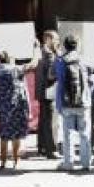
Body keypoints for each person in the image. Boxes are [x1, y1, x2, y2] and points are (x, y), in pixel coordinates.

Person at [0, 43, 40, 170]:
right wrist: (35, 48)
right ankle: (16, 161)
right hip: (16, 106)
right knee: (16, 135)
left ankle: (3, 162)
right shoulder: (16, 69)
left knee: (4, 135)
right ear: (9, 59)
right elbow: (34, 64)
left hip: (3, 107)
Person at [54, 34, 92, 172]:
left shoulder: (60, 61)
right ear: (77, 45)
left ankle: (68, 162)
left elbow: (57, 78)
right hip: (83, 101)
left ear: (65, 46)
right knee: (84, 133)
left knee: (68, 134)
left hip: (66, 102)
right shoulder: (84, 59)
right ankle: (86, 162)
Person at [35, 30, 60, 159]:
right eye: (55, 39)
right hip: (49, 91)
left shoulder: (39, 52)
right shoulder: (50, 55)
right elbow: (51, 76)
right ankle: (51, 149)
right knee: (50, 121)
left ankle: (42, 147)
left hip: (41, 91)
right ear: (48, 40)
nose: (58, 42)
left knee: (43, 120)